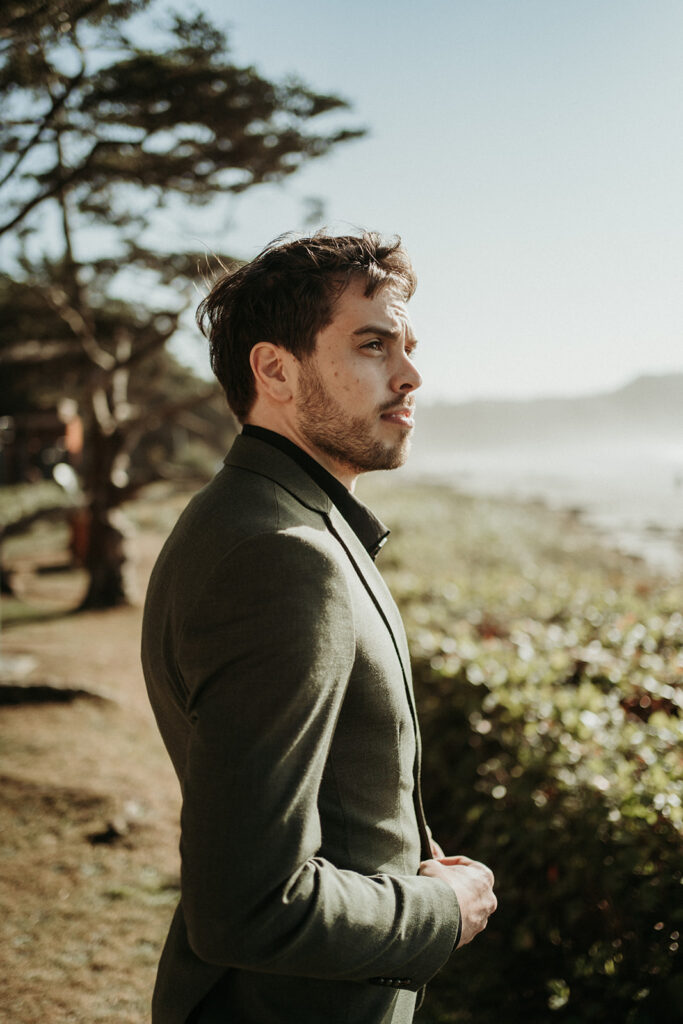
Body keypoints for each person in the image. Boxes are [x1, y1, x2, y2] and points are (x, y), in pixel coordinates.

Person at [141, 232, 497, 1024]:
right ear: (274, 370)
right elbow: (249, 904)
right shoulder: (280, 554)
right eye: (372, 346)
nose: (409, 374)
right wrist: (444, 909)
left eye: (405, 346)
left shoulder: (273, 518)